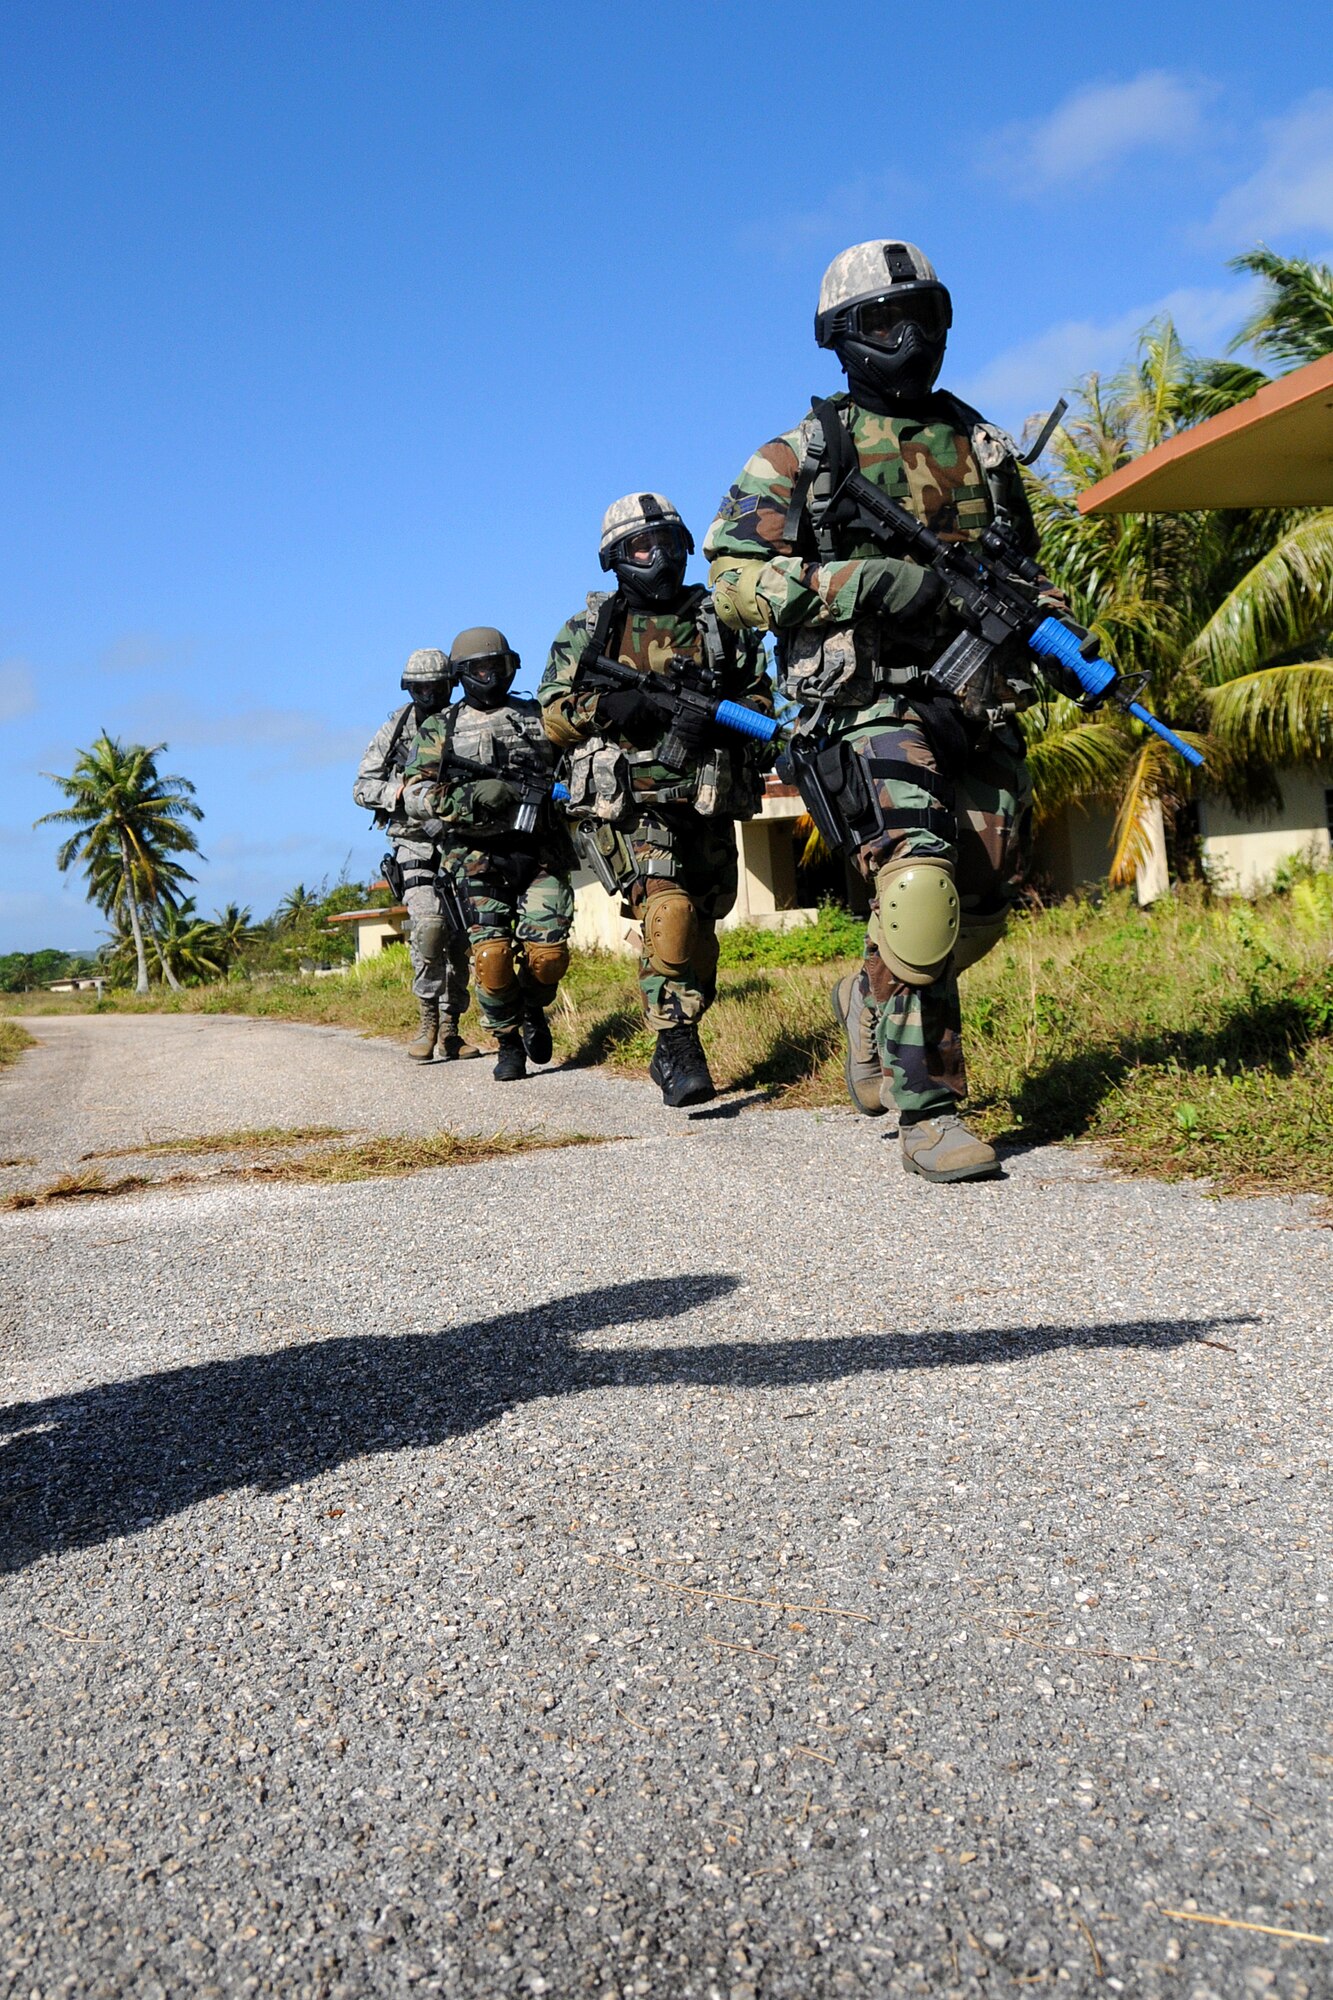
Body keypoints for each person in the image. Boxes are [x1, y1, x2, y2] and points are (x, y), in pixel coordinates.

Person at [704, 239, 1062, 1182]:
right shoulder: (801, 455)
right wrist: (862, 582)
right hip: (863, 706)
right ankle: (930, 1110)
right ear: (839, 340)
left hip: (971, 699)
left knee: (985, 890)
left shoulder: (982, 448)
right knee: (919, 886)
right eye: (881, 322)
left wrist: (1051, 628)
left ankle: (868, 997)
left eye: (925, 316)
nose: (908, 337)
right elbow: (733, 582)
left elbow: (1023, 570)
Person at [538, 494, 773, 1107]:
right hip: (636, 805)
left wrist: (722, 722)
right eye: (643, 547)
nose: (659, 557)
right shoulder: (588, 631)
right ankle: (676, 1045)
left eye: (669, 543)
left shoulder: (720, 619)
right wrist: (606, 707)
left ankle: (683, 1026)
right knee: (667, 915)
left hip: (707, 798)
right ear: (616, 559)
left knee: (701, 930)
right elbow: (552, 716)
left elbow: (764, 702)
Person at [403, 627, 574, 1083]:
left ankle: (533, 1007)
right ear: (461, 674)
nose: (488, 675)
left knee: (549, 956)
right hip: (476, 857)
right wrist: (471, 798)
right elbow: (415, 795)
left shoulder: (537, 717)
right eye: (478, 668)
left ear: (510, 666)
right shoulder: (443, 727)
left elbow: (575, 767)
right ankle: (509, 1042)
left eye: (496, 666)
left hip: (539, 852)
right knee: (492, 960)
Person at [353, 648, 480, 1062]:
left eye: (436, 687)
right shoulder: (397, 726)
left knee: (460, 937)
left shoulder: (467, 720)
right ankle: (427, 1019)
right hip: (413, 841)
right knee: (429, 930)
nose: (428, 694)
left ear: (450, 685)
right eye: (420, 688)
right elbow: (361, 787)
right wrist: (398, 794)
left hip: (460, 838)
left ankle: (451, 1029)